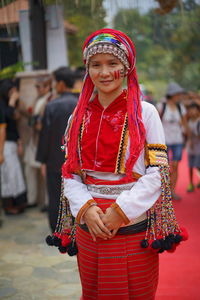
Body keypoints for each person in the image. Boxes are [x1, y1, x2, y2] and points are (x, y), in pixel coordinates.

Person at [46, 29, 187, 300]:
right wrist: (86, 210)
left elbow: (158, 172)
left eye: (113, 64)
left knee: (137, 293)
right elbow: (71, 173)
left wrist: (120, 211)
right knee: (94, 292)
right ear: (87, 70)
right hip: (90, 229)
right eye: (96, 65)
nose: (105, 72)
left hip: (132, 226)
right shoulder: (78, 116)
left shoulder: (146, 113)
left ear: (127, 67)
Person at [36, 67, 78, 232]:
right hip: (77, 160)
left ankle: (58, 230)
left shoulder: (52, 106)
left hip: (55, 159)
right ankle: (77, 227)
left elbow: (44, 135)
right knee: (76, 194)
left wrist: (42, 160)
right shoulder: (81, 104)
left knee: (55, 196)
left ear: (60, 83)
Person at [24, 76, 53, 210]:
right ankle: (32, 199)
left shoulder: (50, 99)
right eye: (36, 86)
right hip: (34, 139)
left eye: (39, 86)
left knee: (45, 173)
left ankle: (48, 202)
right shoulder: (38, 99)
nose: (37, 89)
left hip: (44, 141)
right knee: (29, 170)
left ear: (47, 86)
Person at [0, 79, 27, 215]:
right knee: (9, 175)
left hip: (11, 143)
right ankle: (8, 206)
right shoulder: (3, 105)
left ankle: (17, 203)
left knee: (15, 175)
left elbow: (13, 124)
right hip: (4, 145)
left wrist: (19, 141)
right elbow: (4, 124)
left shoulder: (8, 104)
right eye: (11, 91)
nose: (13, 94)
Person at [157, 82, 186, 200]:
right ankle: (164, 190)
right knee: (164, 167)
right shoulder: (161, 106)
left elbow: (183, 123)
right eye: (178, 94)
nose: (179, 96)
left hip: (178, 140)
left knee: (176, 165)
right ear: (172, 94)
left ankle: (172, 190)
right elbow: (156, 122)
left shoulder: (181, 107)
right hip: (164, 141)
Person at [184, 102, 200, 192]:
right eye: (190, 110)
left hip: (198, 147)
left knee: (198, 165)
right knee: (190, 165)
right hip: (190, 147)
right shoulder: (189, 121)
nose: (192, 111)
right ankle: (191, 183)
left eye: (194, 109)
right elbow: (186, 133)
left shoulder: (199, 121)